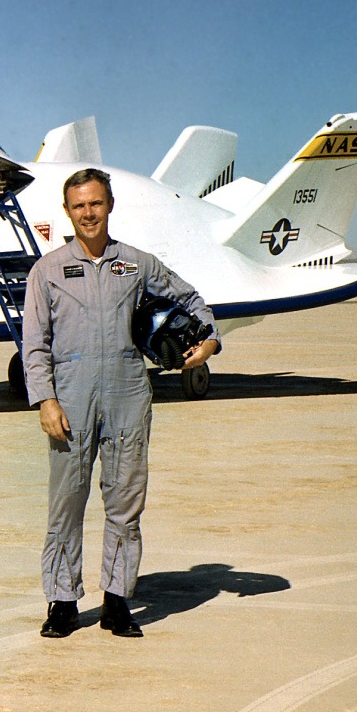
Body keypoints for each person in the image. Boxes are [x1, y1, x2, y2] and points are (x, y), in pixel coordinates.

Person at [21, 168, 220, 639]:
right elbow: (34, 343)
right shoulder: (46, 271)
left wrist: (209, 342)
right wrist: (45, 400)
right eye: (79, 206)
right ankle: (63, 601)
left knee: (125, 502)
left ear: (109, 206)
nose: (88, 213)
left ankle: (117, 600)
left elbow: (192, 300)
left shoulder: (137, 264)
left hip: (128, 392)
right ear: (67, 212)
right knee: (66, 504)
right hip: (70, 397)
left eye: (96, 203)